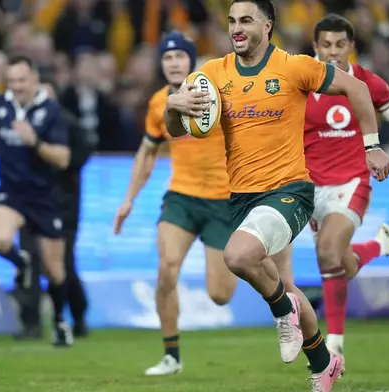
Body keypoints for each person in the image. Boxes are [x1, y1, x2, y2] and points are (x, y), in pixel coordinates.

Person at [163, 1, 389, 390]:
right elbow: (180, 127)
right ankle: (323, 362)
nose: (237, 28)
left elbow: (355, 87)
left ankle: (282, 311)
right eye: (232, 20)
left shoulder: (294, 66)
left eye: (246, 20)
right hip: (242, 199)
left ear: (267, 26)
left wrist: (371, 146)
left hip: (290, 192)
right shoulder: (213, 73)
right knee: (286, 284)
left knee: (237, 255)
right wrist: (173, 106)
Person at [113, 32, 238, 376]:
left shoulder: (216, 95)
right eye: (167, 58)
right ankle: (171, 356)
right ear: (161, 64)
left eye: (180, 57)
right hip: (181, 198)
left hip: (221, 202)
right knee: (167, 269)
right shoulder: (159, 103)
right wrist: (128, 199)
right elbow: (148, 152)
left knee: (220, 295)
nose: (173, 63)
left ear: (191, 61)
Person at [303, 14, 389, 361]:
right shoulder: (301, 83)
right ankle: (380, 245)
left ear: (351, 46)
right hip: (311, 188)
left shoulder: (369, 84)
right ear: (315, 48)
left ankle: (333, 348)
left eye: (340, 45)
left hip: (352, 182)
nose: (333, 52)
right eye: (326, 45)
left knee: (327, 250)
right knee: (338, 262)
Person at [0, 56, 73, 347]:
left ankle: (59, 322)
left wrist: (35, 143)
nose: (15, 86)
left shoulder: (50, 111)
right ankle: (23, 262)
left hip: (42, 197)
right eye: (11, 80)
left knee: (56, 271)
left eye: (21, 80)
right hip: (11, 193)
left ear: (34, 80)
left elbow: (63, 158)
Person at [14, 82, 96, 341]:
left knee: (62, 265)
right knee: (29, 261)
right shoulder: (23, 126)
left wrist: (56, 160)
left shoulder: (70, 125)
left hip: (63, 207)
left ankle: (78, 316)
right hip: (30, 203)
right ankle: (31, 324)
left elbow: (80, 155)